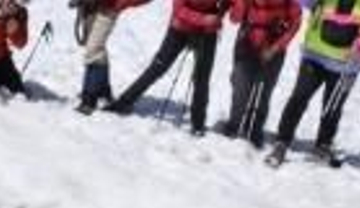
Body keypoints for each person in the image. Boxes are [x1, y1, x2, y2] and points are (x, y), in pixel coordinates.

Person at [267, 0, 360, 166]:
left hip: (347, 64)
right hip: (315, 54)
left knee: (332, 107)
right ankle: (282, 141)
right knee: (299, 97)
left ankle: (323, 145)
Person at [106, 0, 232, 134]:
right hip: (181, 27)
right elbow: (179, 10)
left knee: (202, 77)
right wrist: (204, 19)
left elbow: (231, 6)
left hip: (207, 32)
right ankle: (124, 102)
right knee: (157, 67)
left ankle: (198, 124)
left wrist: (221, 13)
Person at [218, 0, 304, 146]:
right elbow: (234, 19)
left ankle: (255, 129)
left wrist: (275, 48)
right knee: (241, 89)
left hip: (274, 47)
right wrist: (240, 5)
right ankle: (234, 124)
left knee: (264, 92)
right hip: (247, 43)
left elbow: (295, 22)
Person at [74, 0, 156, 113]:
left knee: (94, 49)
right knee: (94, 46)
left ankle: (90, 97)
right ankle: (102, 91)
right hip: (96, 6)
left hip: (109, 7)